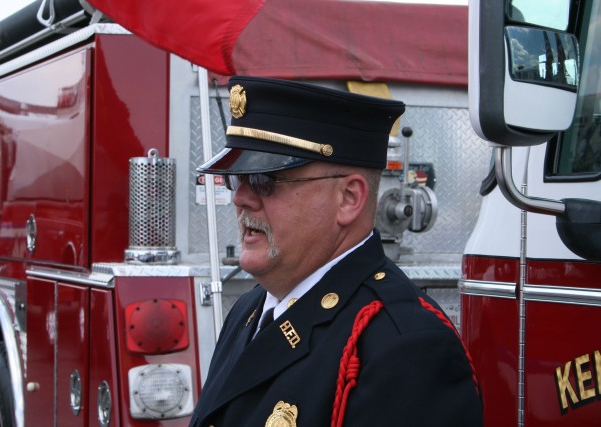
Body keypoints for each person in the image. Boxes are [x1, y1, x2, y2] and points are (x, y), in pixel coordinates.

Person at [189, 76, 483, 427]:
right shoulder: (249, 310)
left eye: (266, 180)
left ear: (349, 199)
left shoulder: (406, 346)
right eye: (237, 179)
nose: (240, 198)